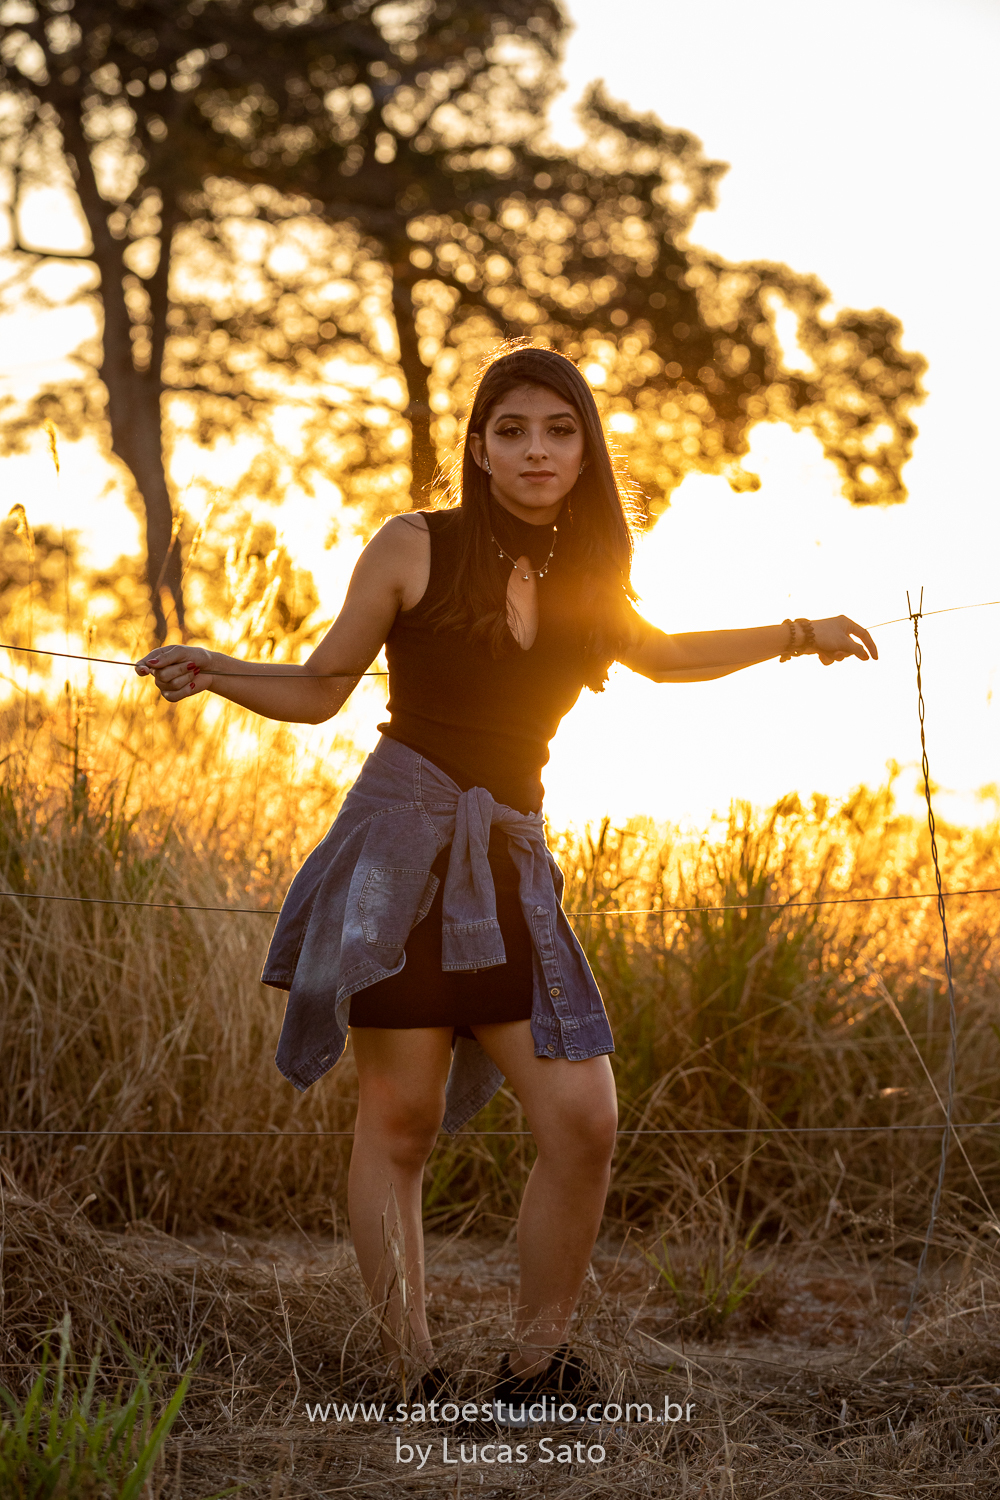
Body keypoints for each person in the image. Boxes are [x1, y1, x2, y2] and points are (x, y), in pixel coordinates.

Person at [135, 343, 877, 1415]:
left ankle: (534, 1369)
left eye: (558, 430)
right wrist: (214, 671)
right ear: (479, 450)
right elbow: (320, 686)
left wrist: (796, 632)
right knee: (400, 1120)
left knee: (582, 1117)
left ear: (584, 450)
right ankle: (409, 1372)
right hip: (399, 856)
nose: (536, 449)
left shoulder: (589, 575)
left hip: (511, 865)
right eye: (513, 430)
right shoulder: (412, 545)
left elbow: (663, 656)